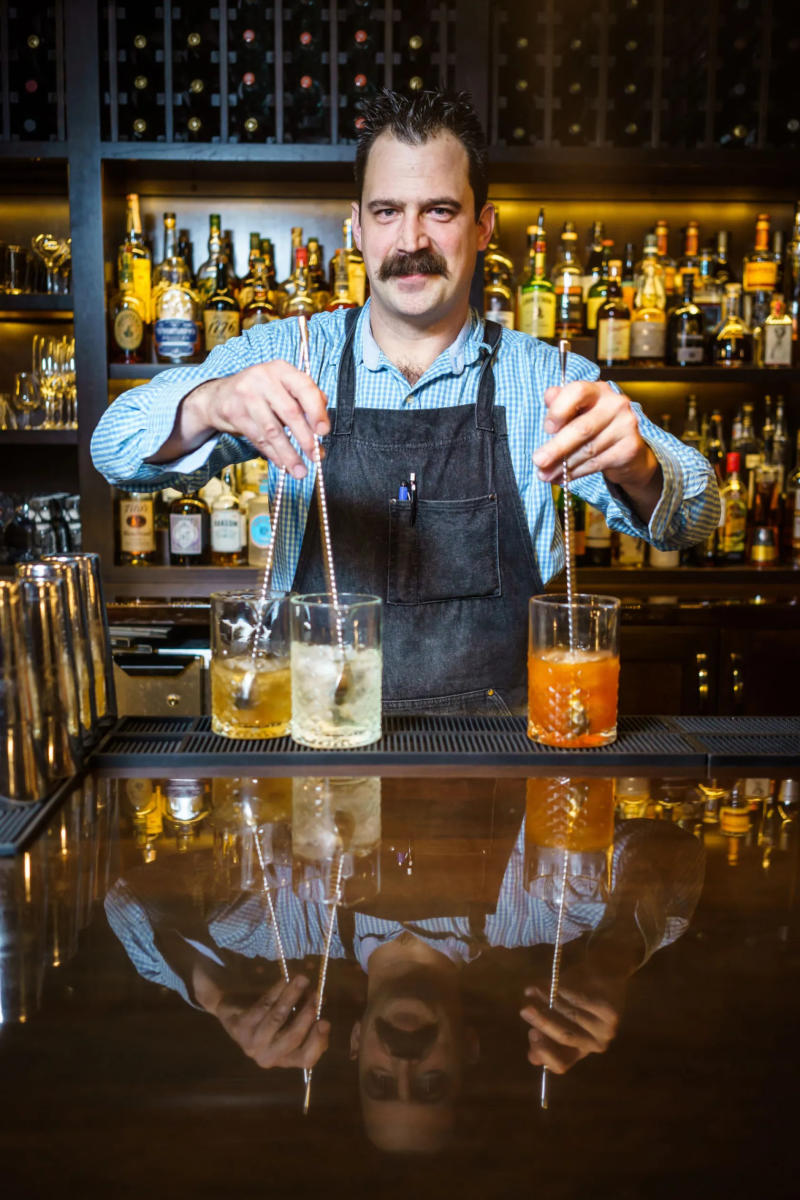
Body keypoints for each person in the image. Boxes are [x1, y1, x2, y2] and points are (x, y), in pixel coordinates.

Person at [91, 89, 720, 715]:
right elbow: (113, 448)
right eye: (388, 211)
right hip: (321, 755)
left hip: (502, 766)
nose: (411, 239)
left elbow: (697, 516)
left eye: (440, 211)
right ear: (358, 227)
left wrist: (637, 465)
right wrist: (208, 404)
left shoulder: (550, 375)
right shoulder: (288, 352)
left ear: (484, 226)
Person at [105, 775, 704, 1155]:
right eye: (432, 1085)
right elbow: (669, 852)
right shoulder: (538, 911)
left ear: (357, 1043)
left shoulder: (289, 925)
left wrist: (220, 999)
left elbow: (130, 900)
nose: (407, 1063)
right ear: (469, 1049)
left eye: (382, 1082)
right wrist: (615, 954)